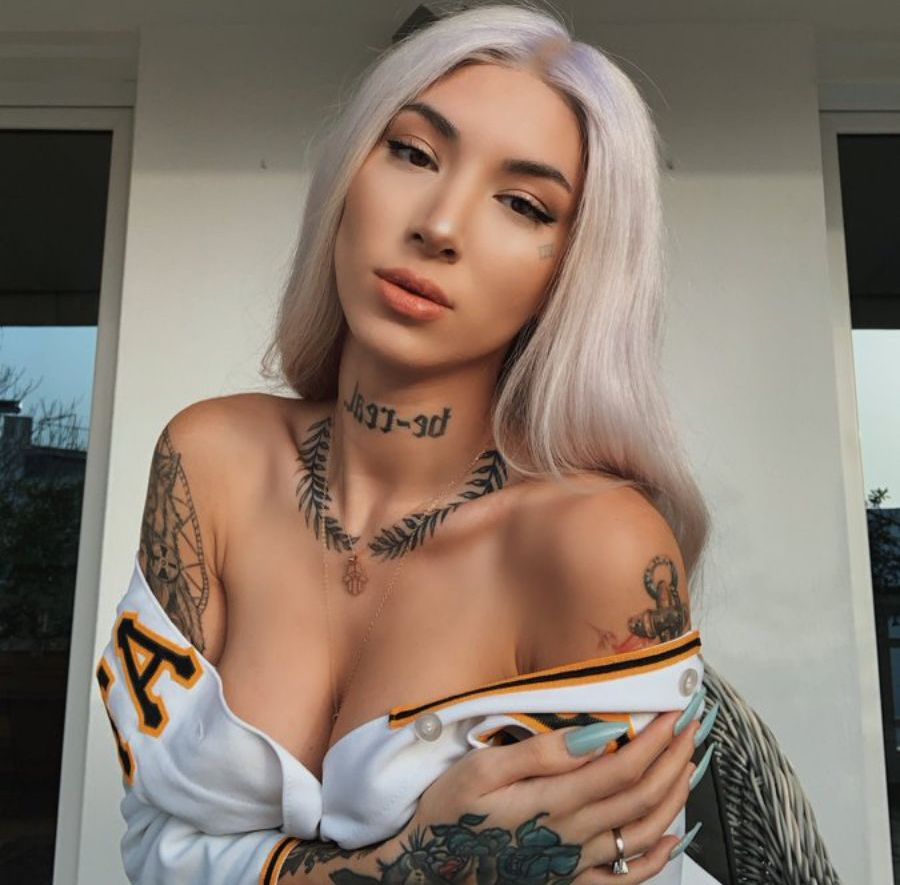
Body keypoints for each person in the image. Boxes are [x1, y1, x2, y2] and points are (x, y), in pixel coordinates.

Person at [94, 2, 724, 882]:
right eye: (414, 153)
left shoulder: (598, 548)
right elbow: (150, 845)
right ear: (349, 173)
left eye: (523, 204)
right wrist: (413, 866)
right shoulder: (210, 463)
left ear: (573, 270)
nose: (440, 224)